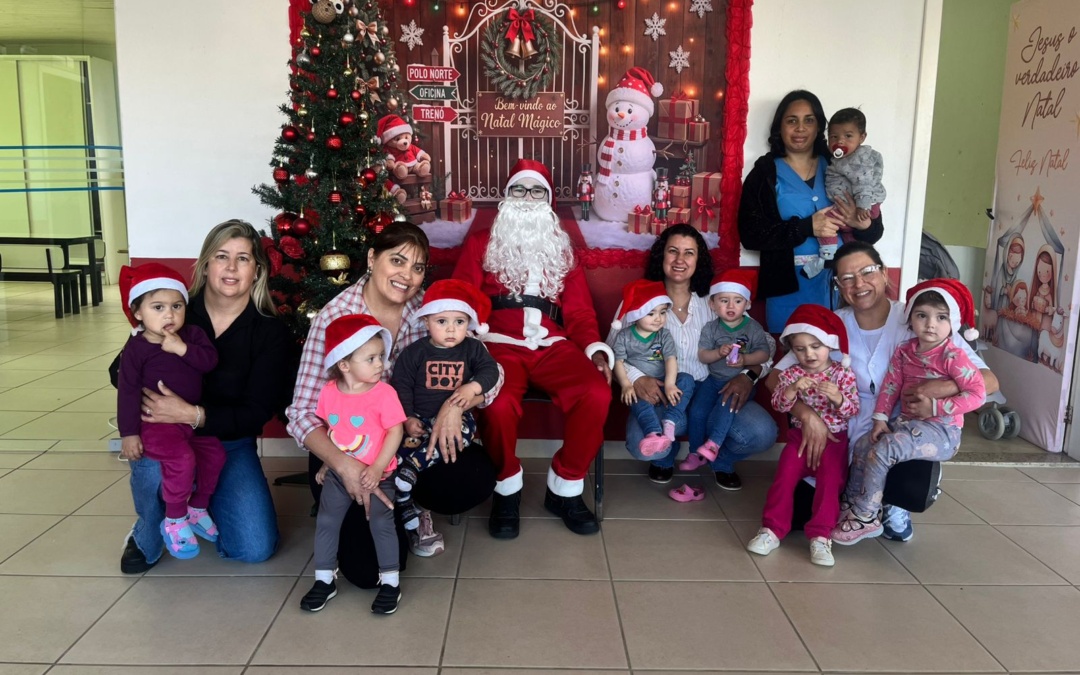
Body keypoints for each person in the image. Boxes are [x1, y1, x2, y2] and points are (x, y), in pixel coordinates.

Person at [287, 223, 500, 589]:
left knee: (474, 476)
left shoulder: (431, 314)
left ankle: (414, 504)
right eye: (397, 261)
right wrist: (346, 466)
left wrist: (456, 402)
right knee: (369, 572)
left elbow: (493, 371)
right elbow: (302, 412)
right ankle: (392, 512)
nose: (407, 276)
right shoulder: (334, 317)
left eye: (418, 268)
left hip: (410, 441)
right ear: (372, 258)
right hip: (349, 447)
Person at [766, 241, 999, 543]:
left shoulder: (919, 316)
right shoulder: (832, 323)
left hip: (905, 425)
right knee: (801, 517)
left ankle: (894, 502)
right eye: (846, 278)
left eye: (866, 272)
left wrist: (944, 387)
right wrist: (807, 415)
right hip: (842, 426)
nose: (858, 284)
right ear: (837, 285)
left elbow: (988, 379)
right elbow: (775, 378)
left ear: (884, 273)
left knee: (908, 485)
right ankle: (857, 505)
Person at [452, 158, 614, 539]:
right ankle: (506, 489)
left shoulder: (562, 248)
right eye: (519, 190)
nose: (528, 198)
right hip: (497, 346)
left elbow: (579, 311)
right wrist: (468, 347)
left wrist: (594, 348)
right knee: (497, 403)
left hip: (553, 345)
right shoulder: (480, 243)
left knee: (595, 393)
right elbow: (462, 298)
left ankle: (565, 488)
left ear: (549, 199)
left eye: (537, 191)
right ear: (507, 197)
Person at [123, 220, 296, 573]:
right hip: (165, 434)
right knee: (158, 464)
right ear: (205, 265)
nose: (231, 268)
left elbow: (258, 411)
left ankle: (203, 501)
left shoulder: (269, 331)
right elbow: (120, 371)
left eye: (243, 258)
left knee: (254, 547)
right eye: (222, 256)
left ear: (257, 271)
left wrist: (192, 414)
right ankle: (147, 533)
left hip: (228, 442)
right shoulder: (173, 307)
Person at [606, 224, 778, 488]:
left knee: (762, 433)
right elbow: (613, 349)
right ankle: (664, 457)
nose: (680, 260)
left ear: (699, 260)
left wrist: (749, 374)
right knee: (643, 445)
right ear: (661, 256)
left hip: (714, 393)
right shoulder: (641, 300)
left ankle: (721, 460)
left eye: (689, 253)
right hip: (664, 395)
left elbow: (763, 342)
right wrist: (638, 379)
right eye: (673, 251)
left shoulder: (717, 300)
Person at [833, 279, 985, 544]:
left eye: (941, 318)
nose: (930, 324)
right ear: (911, 319)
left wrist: (936, 406)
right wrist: (880, 419)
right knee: (863, 445)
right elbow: (891, 385)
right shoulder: (905, 351)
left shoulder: (953, 355)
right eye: (922, 315)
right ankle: (852, 504)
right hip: (906, 426)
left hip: (942, 432)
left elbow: (978, 394)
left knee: (885, 449)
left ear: (953, 323)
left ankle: (867, 515)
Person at [738, 90, 884, 332]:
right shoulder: (765, 173)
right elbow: (750, 234)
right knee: (791, 360)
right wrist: (805, 227)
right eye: (791, 120)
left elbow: (874, 230)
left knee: (839, 360)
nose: (800, 128)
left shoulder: (843, 165)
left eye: (809, 120)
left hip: (842, 287)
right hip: (788, 288)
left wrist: (864, 225)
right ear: (779, 126)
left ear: (820, 128)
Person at [118, 263, 226, 560]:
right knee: (181, 459)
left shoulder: (192, 335)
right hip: (156, 425)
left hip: (190, 422)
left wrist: (181, 349)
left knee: (214, 453)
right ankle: (174, 518)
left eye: (176, 306)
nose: (169, 314)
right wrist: (128, 433)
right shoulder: (136, 348)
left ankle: (196, 507)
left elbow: (209, 362)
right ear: (138, 313)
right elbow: (127, 392)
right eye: (158, 307)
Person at [302, 315, 405, 614]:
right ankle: (324, 579)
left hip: (379, 473)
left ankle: (390, 582)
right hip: (338, 474)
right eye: (371, 358)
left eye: (381, 357)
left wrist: (376, 469)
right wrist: (326, 463)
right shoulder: (329, 392)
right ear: (344, 364)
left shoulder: (384, 393)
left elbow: (395, 431)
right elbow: (332, 431)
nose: (380, 365)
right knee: (326, 521)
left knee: (381, 523)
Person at [747, 304, 857, 567]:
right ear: (792, 350)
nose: (809, 354)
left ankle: (821, 536)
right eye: (800, 348)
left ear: (830, 345)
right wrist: (792, 390)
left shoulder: (842, 373)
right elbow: (779, 404)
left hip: (834, 441)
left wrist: (838, 398)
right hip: (799, 438)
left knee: (830, 485)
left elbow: (853, 409)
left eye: (816, 346)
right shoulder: (793, 373)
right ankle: (771, 530)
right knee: (784, 477)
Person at [390, 279, 500, 531]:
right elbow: (401, 385)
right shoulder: (414, 352)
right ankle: (406, 502)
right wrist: (407, 417)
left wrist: (472, 387)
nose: (451, 329)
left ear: (468, 324)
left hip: (458, 419)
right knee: (401, 448)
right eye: (442, 321)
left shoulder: (472, 348)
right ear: (426, 322)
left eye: (459, 322)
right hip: (420, 417)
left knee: (457, 438)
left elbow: (490, 370)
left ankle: (413, 467)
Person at [681, 269, 771, 488]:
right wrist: (717, 353)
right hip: (713, 380)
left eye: (737, 301)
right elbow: (703, 355)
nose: (731, 307)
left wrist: (746, 360)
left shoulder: (752, 327)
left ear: (747, 304)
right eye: (724, 301)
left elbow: (765, 354)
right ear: (712, 305)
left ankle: (713, 445)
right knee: (697, 411)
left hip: (738, 383)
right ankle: (695, 452)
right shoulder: (711, 328)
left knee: (725, 409)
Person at [610, 279, 694, 459]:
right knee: (637, 402)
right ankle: (653, 434)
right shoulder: (625, 336)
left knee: (686, 379)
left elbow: (671, 359)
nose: (659, 319)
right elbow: (618, 361)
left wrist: (670, 384)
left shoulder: (663, 334)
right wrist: (626, 384)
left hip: (664, 381)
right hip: (641, 389)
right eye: (651, 313)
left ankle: (670, 420)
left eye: (663, 312)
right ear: (635, 315)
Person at [820, 108, 886, 261]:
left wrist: (863, 207)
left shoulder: (856, 160)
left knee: (828, 220)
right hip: (858, 210)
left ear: (862, 137)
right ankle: (849, 256)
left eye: (848, 136)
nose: (840, 141)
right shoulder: (839, 159)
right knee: (850, 241)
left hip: (861, 208)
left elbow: (863, 181)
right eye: (834, 137)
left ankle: (827, 255)